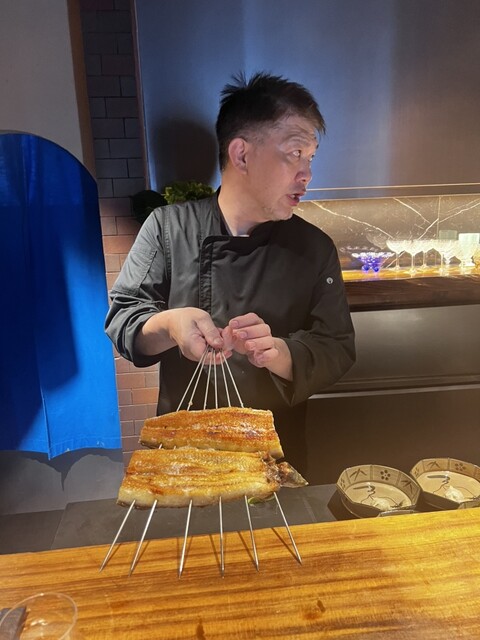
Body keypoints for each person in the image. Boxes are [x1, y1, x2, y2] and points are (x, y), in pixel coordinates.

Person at [105, 72, 355, 473]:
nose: (307, 173)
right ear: (241, 155)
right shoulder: (168, 228)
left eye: (311, 157)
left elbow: (337, 346)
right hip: (186, 457)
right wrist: (170, 324)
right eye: (295, 153)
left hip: (276, 457)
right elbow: (123, 320)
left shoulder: (314, 247)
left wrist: (280, 352)